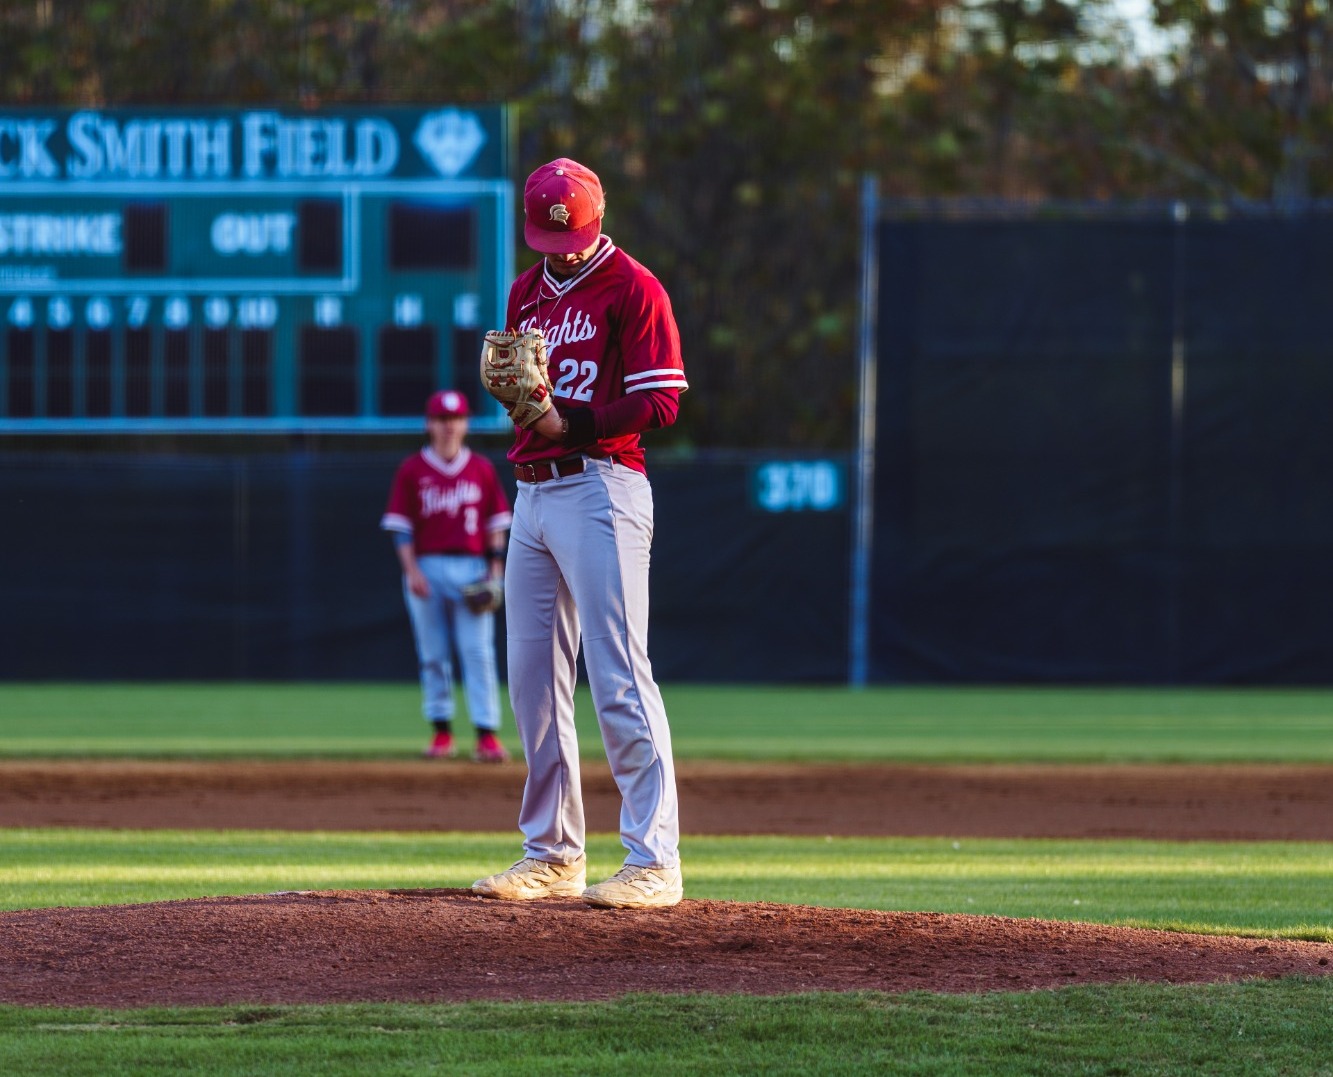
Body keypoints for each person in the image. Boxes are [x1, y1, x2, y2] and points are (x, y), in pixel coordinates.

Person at [471, 157, 688, 909]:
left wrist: (575, 420)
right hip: (531, 494)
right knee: (532, 685)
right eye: (546, 236)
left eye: (572, 234)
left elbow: (660, 403)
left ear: (596, 220)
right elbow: (529, 393)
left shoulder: (634, 288)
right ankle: (553, 852)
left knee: (621, 677)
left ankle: (654, 860)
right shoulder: (526, 289)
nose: (560, 248)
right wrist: (528, 409)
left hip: (602, 486)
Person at [381, 389, 513, 763]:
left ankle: (486, 734)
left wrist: (495, 572)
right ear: (430, 424)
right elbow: (401, 528)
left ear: (465, 423)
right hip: (427, 567)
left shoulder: (481, 469)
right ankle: (441, 732)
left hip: (473, 569)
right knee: (434, 654)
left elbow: (495, 525)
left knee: (478, 653)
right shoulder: (413, 469)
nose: (449, 427)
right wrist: (411, 571)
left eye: (455, 419)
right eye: (441, 419)